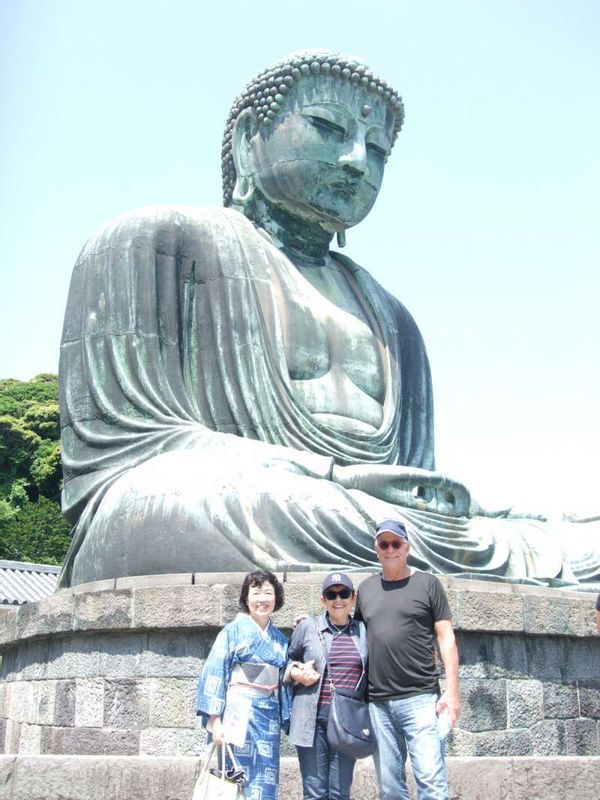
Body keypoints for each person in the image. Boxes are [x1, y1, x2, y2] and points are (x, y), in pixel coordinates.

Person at [57, 48, 599, 589]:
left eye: (379, 151)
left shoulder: (394, 319)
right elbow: (124, 454)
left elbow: (415, 479)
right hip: (243, 500)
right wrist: (333, 475)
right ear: (250, 142)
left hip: (368, 514)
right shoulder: (152, 243)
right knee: (190, 504)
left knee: (572, 542)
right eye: (327, 127)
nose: (357, 161)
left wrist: (448, 503)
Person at [355, 519, 460, 800]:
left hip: (421, 699)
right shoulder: (365, 589)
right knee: (389, 789)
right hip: (378, 702)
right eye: (384, 544)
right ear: (376, 549)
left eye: (396, 543)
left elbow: (446, 638)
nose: (390, 549)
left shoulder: (428, 584)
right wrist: (311, 625)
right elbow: (353, 636)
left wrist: (452, 693)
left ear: (407, 547)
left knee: (431, 782)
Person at [196, 570, 290, 800]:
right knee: (232, 783)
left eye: (268, 593)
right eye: (256, 593)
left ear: (275, 599)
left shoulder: (280, 640)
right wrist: (215, 721)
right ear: (246, 599)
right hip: (236, 717)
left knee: (265, 783)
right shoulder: (232, 632)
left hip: (267, 719)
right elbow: (215, 673)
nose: (262, 599)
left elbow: (284, 682)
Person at [286, 572, 368, 800]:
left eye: (344, 593)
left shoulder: (364, 631)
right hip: (311, 721)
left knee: (340, 792)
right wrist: (296, 672)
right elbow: (286, 659)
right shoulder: (307, 627)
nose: (338, 599)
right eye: (331, 595)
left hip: (346, 721)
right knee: (314, 792)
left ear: (353, 598)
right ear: (322, 600)